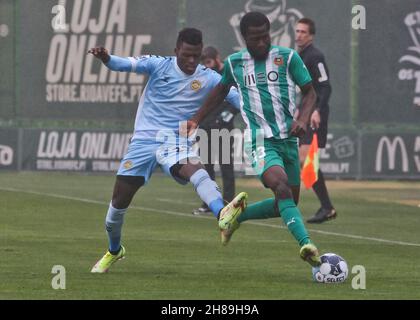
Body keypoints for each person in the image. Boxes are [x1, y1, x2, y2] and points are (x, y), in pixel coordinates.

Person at [88, 28, 248, 273]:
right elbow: (123, 64)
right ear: (176, 51)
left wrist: (254, 118)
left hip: (174, 140)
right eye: (186, 55)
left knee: (195, 169)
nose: (191, 61)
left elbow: (237, 98)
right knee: (116, 209)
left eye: (196, 55)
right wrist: (106, 58)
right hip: (142, 142)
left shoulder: (210, 77)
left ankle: (222, 214)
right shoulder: (158, 65)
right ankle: (114, 250)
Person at [186, 12, 321, 267]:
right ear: (244, 38)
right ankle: (306, 245)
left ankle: (237, 217)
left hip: (288, 139)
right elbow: (220, 91)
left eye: (265, 37)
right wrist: (195, 119)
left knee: (287, 203)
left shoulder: (287, 57)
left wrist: (302, 119)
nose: (261, 43)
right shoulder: (235, 63)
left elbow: (310, 92)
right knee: (280, 187)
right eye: (255, 38)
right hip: (259, 140)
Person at [295, 18, 337, 223]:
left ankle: (326, 207)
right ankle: (325, 207)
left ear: (311, 35)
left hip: (315, 115)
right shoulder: (300, 55)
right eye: (297, 31)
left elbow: (325, 86)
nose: (299, 34)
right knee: (303, 159)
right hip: (305, 112)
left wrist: (317, 110)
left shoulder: (315, 56)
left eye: (303, 31)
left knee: (306, 158)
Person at [192, 46, 238, 216]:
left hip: (224, 130)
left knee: (226, 167)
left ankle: (228, 203)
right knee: (206, 168)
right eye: (204, 63)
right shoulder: (204, 75)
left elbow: (236, 102)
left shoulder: (228, 74)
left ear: (217, 58)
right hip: (205, 128)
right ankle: (209, 203)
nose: (207, 66)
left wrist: (222, 119)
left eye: (209, 62)